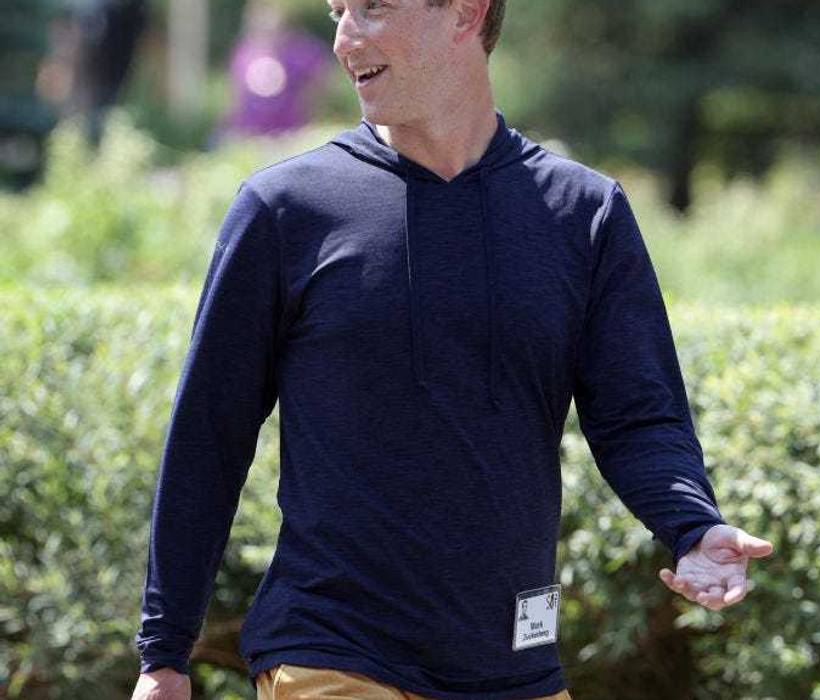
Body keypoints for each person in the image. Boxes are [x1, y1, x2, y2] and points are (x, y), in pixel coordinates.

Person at [129, 1, 774, 699]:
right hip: (329, 650)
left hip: (513, 664)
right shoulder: (285, 210)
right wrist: (163, 656)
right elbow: (208, 436)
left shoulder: (583, 214)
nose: (345, 37)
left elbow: (637, 416)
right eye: (338, 10)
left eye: (372, 7)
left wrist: (692, 525)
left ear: (465, 13)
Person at [217, 1, 333, 141]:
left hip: (289, 136)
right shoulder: (244, 51)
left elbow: (318, 90)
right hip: (249, 136)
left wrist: (309, 125)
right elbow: (234, 95)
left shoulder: (303, 51)